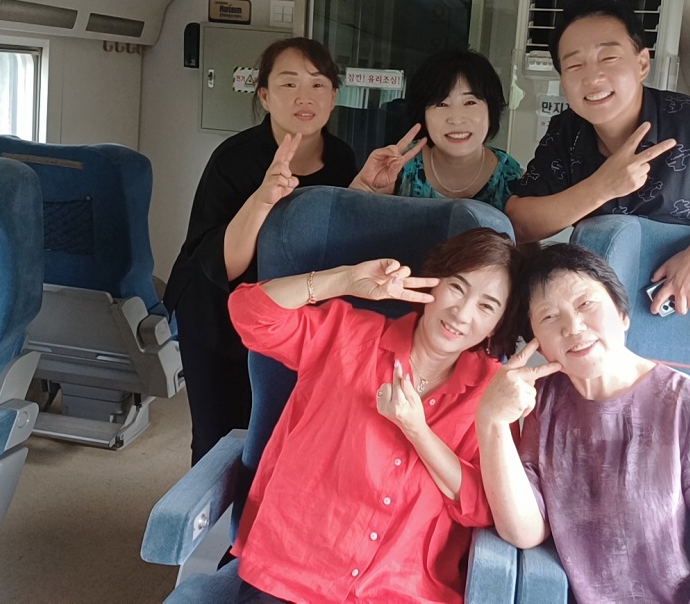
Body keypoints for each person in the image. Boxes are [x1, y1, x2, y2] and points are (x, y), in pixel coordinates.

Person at [475, 243, 690, 603]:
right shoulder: (545, 403)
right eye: (549, 317)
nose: (573, 326)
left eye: (586, 304)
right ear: (539, 344)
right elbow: (525, 530)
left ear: (622, 314)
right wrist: (491, 422)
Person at [223, 226, 522, 603]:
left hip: (400, 591)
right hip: (293, 574)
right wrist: (343, 279)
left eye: (486, 306)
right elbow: (250, 314)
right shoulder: (347, 336)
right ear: (433, 282)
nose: (462, 314)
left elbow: (484, 505)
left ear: (498, 324)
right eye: (457, 288)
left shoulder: (492, 394)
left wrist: (417, 431)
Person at [505, 0, 690, 315]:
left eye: (608, 58)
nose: (592, 77)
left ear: (642, 64)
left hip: (679, 302)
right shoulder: (566, 131)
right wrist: (601, 187)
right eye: (574, 65)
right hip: (596, 309)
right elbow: (519, 222)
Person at [164, 37, 357, 464]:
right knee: (220, 437)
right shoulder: (233, 160)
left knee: (281, 436)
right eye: (289, 84)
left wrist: (365, 191)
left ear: (333, 97)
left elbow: (335, 237)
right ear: (266, 97)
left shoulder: (343, 159)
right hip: (217, 311)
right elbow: (225, 265)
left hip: (291, 316)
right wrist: (262, 199)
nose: (305, 97)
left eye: (318, 84)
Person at [351, 50, 522, 211]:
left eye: (470, 102)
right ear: (423, 113)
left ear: (492, 110)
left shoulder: (511, 177)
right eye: (441, 104)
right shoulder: (399, 166)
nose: (456, 119)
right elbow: (349, 223)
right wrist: (364, 187)